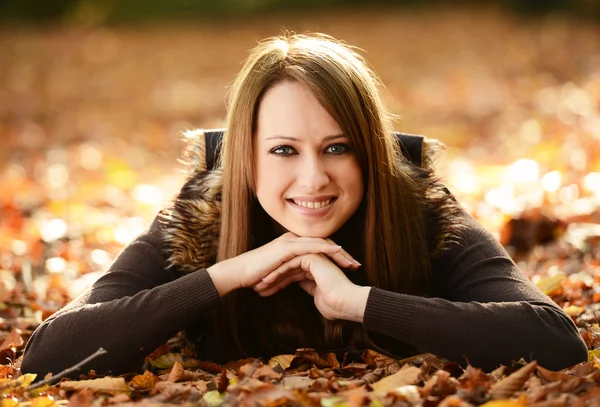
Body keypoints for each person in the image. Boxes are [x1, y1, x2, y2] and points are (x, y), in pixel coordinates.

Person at [21, 33, 587, 378]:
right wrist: (226, 274)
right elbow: (49, 355)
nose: (312, 177)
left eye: (337, 147)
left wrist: (361, 303)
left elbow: (554, 342)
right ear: (247, 160)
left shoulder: (422, 210)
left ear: (370, 154)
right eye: (284, 150)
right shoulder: (200, 217)